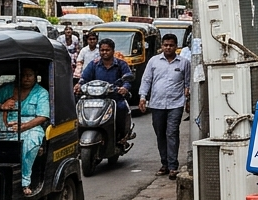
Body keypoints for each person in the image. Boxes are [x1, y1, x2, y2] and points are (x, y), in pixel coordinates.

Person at [0, 65, 50, 195]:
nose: (26, 78)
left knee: (31, 142)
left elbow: (42, 117)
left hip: (30, 125)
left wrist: (24, 126)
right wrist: (2, 106)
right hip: (2, 123)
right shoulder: (7, 89)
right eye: (23, 75)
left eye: (29, 75)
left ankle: (25, 182)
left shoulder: (41, 93)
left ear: (35, 76)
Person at [139, 34, 191, 178]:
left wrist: (188, 100)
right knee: (160, 134)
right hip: (157, 104)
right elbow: (146, 80)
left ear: (176, 46)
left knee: (172, 132)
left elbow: (188, 83)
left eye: (171, 45)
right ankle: (165, 164)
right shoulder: (153, 61)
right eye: (165, 45)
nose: (168, 48)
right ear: (162, 46)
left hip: (176, 103)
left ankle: (173, 166)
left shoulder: (184, 63)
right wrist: (143, 97)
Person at [80, 38, 135, 146]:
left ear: (113, 51)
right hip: (95, 98)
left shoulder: (121, 64)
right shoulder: (94, 64)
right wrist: (79, 85)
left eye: (107, 50)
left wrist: (124, 88)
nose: (104, 52)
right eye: (102, 50)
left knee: (121, 107)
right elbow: (84, 78)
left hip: (114, 97)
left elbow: (127, 80)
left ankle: (121, 136)